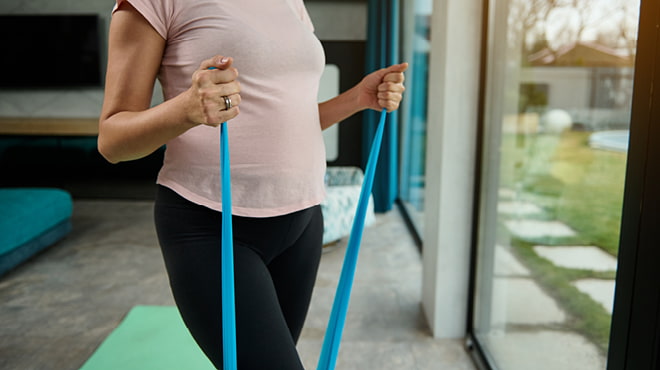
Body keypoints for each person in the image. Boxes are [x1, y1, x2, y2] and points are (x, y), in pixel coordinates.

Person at [98, 0, 407, 369]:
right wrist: (187, 108)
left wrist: (356, 99)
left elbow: (288, 116)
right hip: (213, 228)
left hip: (303, 222)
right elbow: (112, 140)